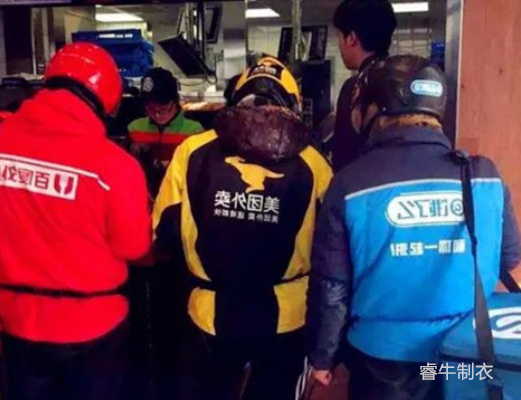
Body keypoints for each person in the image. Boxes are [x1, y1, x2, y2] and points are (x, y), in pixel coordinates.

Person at [306, 55, 521, 400]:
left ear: (374, 110)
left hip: (384, 362)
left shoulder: (349, 183)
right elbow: (509, 257)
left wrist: (322, 357)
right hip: (465, 354)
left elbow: (332, 287)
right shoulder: (483, 175)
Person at [0, 42, 151, 400]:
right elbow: (134, 246)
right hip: (94, 329)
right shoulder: (116, 166)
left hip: (14, 323)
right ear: (107, 101)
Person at [153, 56, 333, 400]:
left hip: (209, 314)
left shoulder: (192, 151)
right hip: (286, 317)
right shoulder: (314, 164)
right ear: (293, 106)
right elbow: (332, 252)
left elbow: (165, 232)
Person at [330, 0, 397, 171]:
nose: (339, 45)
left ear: (351, 38)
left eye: (339, 37)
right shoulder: (402, 80)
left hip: (366, 183)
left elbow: (342, 159)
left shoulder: (354, 87)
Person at [128, 67, 204, 195]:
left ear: (175, 102)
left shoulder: (194, 131)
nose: (157, 114)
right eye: (151, 108)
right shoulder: (134, 129)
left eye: (162, 108)